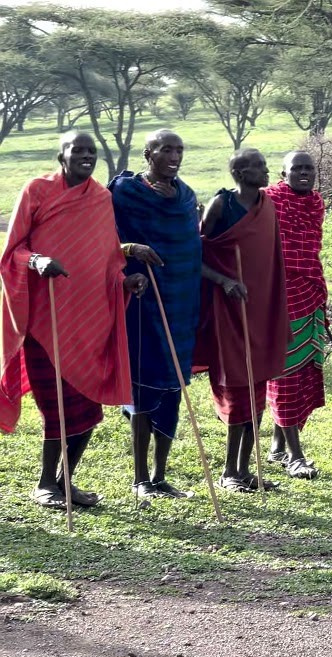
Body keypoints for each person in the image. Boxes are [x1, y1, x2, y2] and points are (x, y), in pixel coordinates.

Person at [0, 132, 153, 508]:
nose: (86, 156)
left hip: (89, 322)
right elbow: (13, 250)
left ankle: (65, 482)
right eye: (78, 150)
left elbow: (106, 258)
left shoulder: (101, 198)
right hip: (45, 319)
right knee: (57, 408)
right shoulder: (36, 190)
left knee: (87, 411)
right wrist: (37, 261)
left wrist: (125, 281)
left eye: (91, 151)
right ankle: (44, 484)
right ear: (62, 156)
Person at [111, 129, 205, 499]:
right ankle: (140, 479)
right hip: (142, 300)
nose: (175, 156)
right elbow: (101, 239)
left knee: (173, 389)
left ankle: (160, 475)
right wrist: (129, 251)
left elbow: (192, 249)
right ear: (148, 153)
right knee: (143, 387)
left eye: (180, 149)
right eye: (167, 149)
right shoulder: (125, 193)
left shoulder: (186, 197)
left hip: (181, 305)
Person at [194, 148, 288, 493]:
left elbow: (271, 257)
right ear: (239, 172)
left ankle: (246, 469)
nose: (266, 171)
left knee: (257, 385)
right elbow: (196, 254)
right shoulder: (221, 205)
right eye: (258, 166)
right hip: (228, 308)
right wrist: (224, 281)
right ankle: (229, 471)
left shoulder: (268, 206)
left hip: (260, 308)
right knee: (237, 384)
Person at [263, 151, 325, 480]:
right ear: (283, 173)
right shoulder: (269, 200)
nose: (304, 172)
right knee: (285, 374)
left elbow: (310, 248)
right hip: (279, 297)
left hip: (310, 293)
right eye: (296, 168)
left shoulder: (315, 204)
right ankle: (296, 456)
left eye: (308, 168)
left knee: (302, 373)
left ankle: (278, 446)